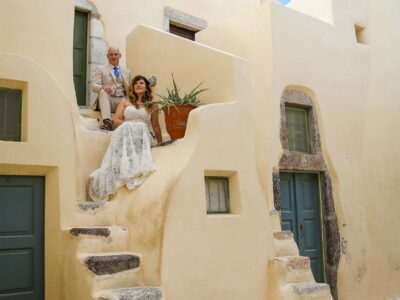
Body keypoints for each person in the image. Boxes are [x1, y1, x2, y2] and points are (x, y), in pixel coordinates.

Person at [88, 75, 163, 201]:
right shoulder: (125, 101)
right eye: (136, 84)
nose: (138, 85)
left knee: (140, 126)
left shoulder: (152, 104)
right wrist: (130, 126)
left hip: (141, 136)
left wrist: (161, 143)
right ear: (133, 87)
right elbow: (116, 120)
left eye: (141, 83)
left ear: (146, 87)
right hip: (125, 132)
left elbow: (156, 126)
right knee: (130, 127)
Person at [91, 47, 131, 131]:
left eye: (116, 54)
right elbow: (93, 86)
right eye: (111, 54)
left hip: (122, 102)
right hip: (107, 100)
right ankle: (107, 122)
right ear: (107, 56)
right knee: (103, 91)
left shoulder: (127, 72)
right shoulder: (100, 69)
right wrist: (102, 86)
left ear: (120, 56)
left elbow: (131, 89)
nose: (113, 56)